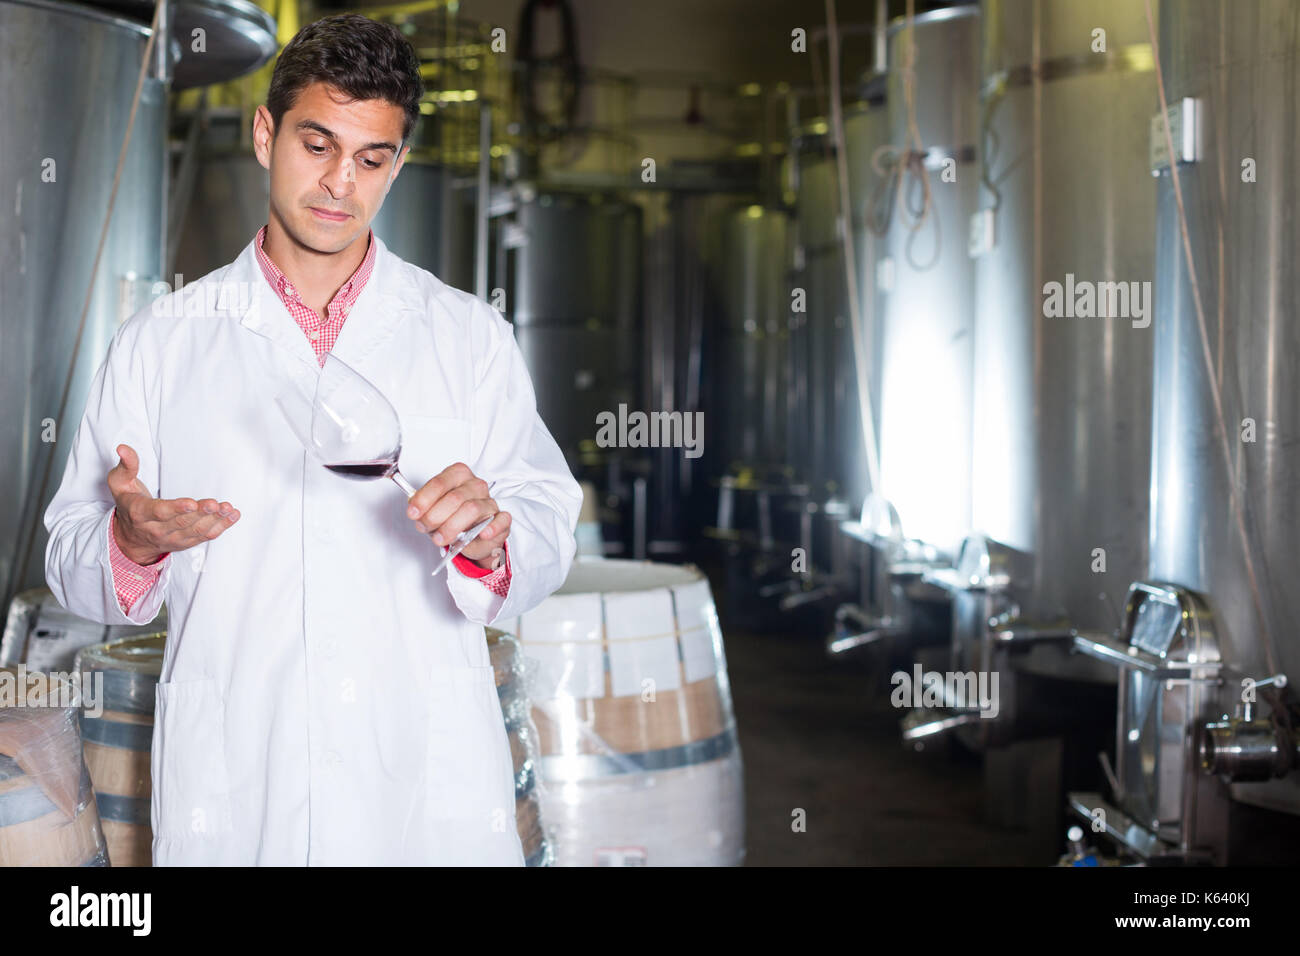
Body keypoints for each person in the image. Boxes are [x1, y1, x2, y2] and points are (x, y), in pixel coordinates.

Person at [43, 14, 582, 866]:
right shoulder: (163, 340)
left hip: (424, 791)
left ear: (399, 164)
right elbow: (70, 562)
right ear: (266, 135)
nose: (340, 184)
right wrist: (130, 543)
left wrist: (493, 539)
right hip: (239, 789)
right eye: (317, 144)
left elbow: (549, 523)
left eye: (372, 159)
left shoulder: (468, 336)